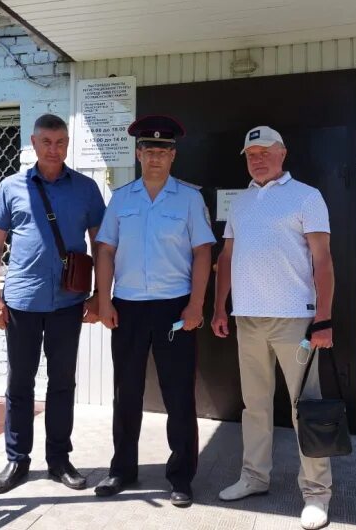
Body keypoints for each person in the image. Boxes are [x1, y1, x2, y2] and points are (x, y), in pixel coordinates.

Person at [212, 126, 335, 530]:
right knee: (255, 406)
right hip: (247, 318)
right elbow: (226, 258)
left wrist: (324, 318)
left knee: (307, 409)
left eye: (265, 151)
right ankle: (254, 477)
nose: (257, 159)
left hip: (295, 319)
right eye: (250, 154)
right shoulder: (242, 202)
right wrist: (219, 307)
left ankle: (316, 494)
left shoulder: (306, 196)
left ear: (283, 153)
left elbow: (323, 261)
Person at [93, 115, 215, 507]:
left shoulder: (189, 199)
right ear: (138, 153)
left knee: (178, 394)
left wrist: (197, 304)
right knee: (125, 393)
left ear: (173, 155)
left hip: (173, 308)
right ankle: (122, 469)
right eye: (149, 150)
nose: (156, 157)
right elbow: (105, 250)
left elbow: (202, 252)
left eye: (163, 150)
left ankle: (180, 477)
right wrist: (104, 299)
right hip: (127, 306)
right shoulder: (121, 198)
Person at [0, 113, 105, 494]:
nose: (54, 149)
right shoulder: (11, 187)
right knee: (19, 384)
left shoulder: (85, 189)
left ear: (67, 145)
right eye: (47, 142)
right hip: (21, 303)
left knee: (62, 384)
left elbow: (101, 245)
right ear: (33, 144)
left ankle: (59, 460)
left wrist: (102, 294)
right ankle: (17, 460)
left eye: (61, 142)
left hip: (69, 303)